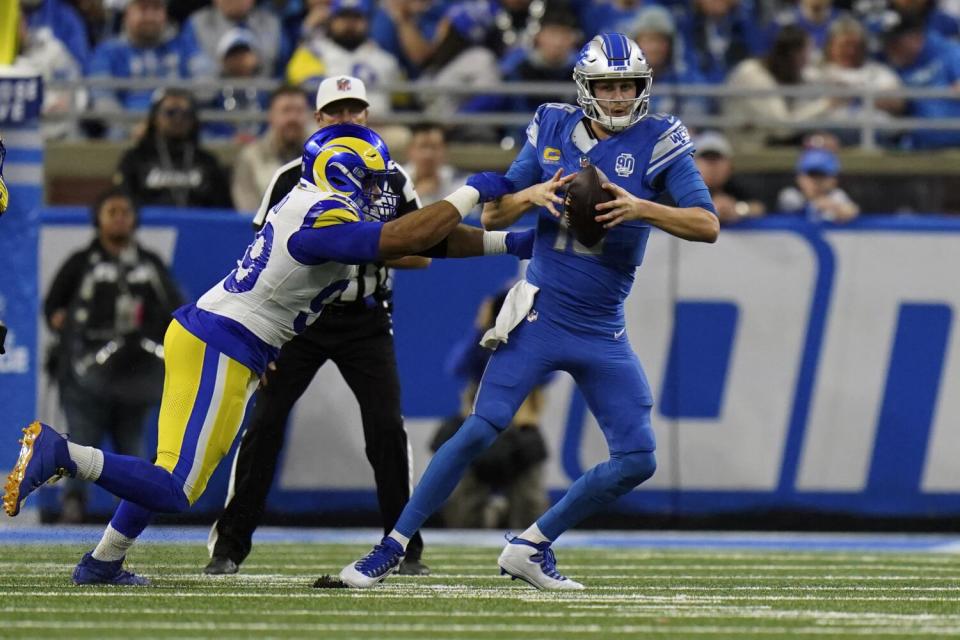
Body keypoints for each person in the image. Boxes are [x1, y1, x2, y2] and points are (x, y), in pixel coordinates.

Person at [3, 123, 533, 586]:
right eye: (370, 180)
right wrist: (465, 193)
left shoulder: (312, 201)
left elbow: (422, 244)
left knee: (169, 468)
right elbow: (401, 237)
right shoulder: (320, 216)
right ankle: (62, 454)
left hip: (217, 334)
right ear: (343, 173)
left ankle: (103, 561)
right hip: (224, 341)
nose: (377, 191)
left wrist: (509, 243)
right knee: (176, 488)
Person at [340, 32, 718, 591]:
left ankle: (532, 546)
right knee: (478, 430)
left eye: (628, 86)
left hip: (602, 326)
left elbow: (707, 224)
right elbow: (493, 215)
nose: (618, 97)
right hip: (541, 312)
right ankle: (391, 547)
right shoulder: (552, 125)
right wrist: (531, 195)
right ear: (587, 88)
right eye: (608, 86)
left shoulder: (660, 140)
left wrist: (641, 206)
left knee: (638, 457)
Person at [204, 77, 432, 577]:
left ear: (368, 116)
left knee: (386, 430)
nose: (347, 119)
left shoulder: (393, 179)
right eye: (336, 111)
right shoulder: (290, 176)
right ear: (319, 120)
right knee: (263, 426)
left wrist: (375, 244)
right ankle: (229, 546)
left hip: (367, 317)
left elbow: (423, 252)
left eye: (356, 110)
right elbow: (263, 253)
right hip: (298, 320)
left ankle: (404, 545)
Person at [43, 188, 183, 523]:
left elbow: (174, 308)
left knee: (132, 444)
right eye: (112, 211)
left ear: (135, 219)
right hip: (84, 374)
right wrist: (58, 319)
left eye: (126, 211)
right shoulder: (80, 262)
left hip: (136, 373)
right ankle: (73, 503)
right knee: (82, 439)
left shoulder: (149, 264)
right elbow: (52, 306)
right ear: (98, 219)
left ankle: (136, 511)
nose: (120, 218)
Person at [434, 286, 550, 530]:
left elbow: (546, 375)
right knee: (463, 512)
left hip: (521, 434)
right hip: (476, 428)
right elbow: (457, 366)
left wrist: (532, 332)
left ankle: (522, 546)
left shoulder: (537, 346)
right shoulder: (482, 347)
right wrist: (482, 328)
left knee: (530, 509)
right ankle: (486, 519)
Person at [115, 88, 233, 208]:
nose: (178, 119)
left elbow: (222, 207)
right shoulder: (134, 159)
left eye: (185, 114)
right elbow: (125, 203)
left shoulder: (208, 162)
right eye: (170, 113)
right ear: (155, 118)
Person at [724, 24, 833, 147]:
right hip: (746, 147)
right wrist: (826, 104)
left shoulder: (789, 74)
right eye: (805, 54)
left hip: (771, 142)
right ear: (792, 55)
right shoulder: (752, 74)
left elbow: (816, 79)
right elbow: (782, 128)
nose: (808, 61)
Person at [285, 0, 403, 114]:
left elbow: (404, 98)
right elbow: (311, 93)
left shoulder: (385, 59)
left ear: (367, 21)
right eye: (343, 16)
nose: (349, 23)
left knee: (400, 134)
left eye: (356, 17)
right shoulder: (313, 51)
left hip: (380, 127)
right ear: (331, 20)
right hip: (328, 126)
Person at [230, 86, 311, 211]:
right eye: (286, 111)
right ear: (271, 115)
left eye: (299, 111)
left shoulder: (320, 157)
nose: (293, 118)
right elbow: (246, 212)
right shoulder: (251, 157)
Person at [693, 131, 765, 225]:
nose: (713, 166)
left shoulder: (738, 185)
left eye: (717, 158)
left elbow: (760, 206)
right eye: (707, 159)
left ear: (730, 165)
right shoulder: (678, 188)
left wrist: (737, 209)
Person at [776, 147, 860, 222]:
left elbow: (850, 211)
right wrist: (815, 204)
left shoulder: (836, 195)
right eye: (812, 175)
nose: (817, 181)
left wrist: (837, 208)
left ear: (834, 180)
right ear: (799, 178)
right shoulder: (790, 195)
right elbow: (794, 206)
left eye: (823, 176)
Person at [402, 123, 464, 206]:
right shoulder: (394, 179)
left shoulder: (459, 181)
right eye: (423, 146)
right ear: (410, 150)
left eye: (434, 147)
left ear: (445, 150)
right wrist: (416, 194)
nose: (428, 154)